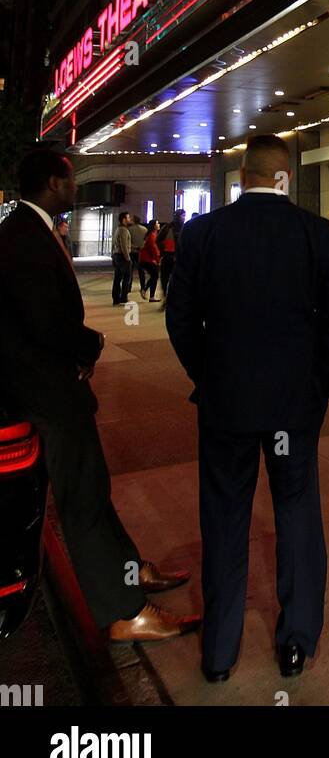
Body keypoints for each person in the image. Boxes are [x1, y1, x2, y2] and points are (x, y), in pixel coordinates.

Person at [165, 135, 329, 683]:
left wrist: (209, 374)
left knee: (223, 518)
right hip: (295, 405)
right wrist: (323, 385)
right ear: (286, 177)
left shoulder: (203, 234)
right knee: (296, 512)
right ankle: (296, 641)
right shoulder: (319, 235)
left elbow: (180, 319)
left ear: (243, 177)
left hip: (226, 405)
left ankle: (219, 653)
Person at [0, 149, 198, 641]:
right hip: (48, 392)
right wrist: (92, 344)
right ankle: (124, 610)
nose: (76, 186)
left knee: (94, 490)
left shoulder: (27, 229)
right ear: (53, 182)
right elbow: (44, 320)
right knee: (82, 501)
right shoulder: (24, 237)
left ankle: (130, 572)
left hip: (52, 387)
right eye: (70, 178)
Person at [157, 209, 185, 299]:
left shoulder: (184, 227)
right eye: (182, 216)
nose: (184, 218)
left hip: (179, 258)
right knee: (164, 279)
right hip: (168, 257)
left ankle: (173, 297)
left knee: (177, 280)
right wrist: (164, 248)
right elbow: (158, 240)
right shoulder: (167, 227)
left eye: (184, 216)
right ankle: (166, 296)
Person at [111, 211, 133, 306]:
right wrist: (128, 258)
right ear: (124, 219)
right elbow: (124, 245)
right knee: (127, 277)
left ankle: (116, 299)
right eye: (128, 218)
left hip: (117, 255)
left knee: (117, 277)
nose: (129, 219)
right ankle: (123, 297)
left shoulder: (118, 229)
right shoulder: (123, 230)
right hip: (122, 256)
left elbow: (114, 244)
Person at [138, 219, 162, 302]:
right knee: (155, 276)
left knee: (154, 276)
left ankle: (149, 294)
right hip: (147, 259)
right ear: (154, 226)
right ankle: (145, 290)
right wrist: (157, 260)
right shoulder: (152, 235)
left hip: (146, 259)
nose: (159, 225)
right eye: (157, 223)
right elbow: (153, 248)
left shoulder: (152, 234)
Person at [129, 215, 147, 294]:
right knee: (141, 270)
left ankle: (128, 287)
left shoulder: (129, 230)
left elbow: (129, 242)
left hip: (132, 252)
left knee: (130, 270)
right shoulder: (144, 229)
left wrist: (134, 246)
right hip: (141, 252)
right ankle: (143, 286)